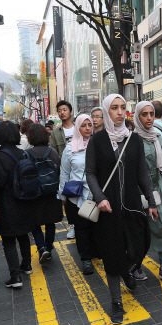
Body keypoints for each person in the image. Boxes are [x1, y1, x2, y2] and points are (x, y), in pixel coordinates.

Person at [86, 94, 158, 325]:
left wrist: (151, 201)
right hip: (108, 209)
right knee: (112, 253)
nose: (119, 112)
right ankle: (116, 301)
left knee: (139, 245)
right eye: (114, 108)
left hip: (132, 205)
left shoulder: (133, 139)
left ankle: (127, 271)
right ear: (107, 111)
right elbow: (90, 173)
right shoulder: (97, 140)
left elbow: (142, 173)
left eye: (123, 108)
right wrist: (99, 197)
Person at [131, 101, 162, 284]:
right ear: (137, 116)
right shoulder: (132, 138)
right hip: (138, 189)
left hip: (158, 187)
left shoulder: (158, 136)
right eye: (144, 114)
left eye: (151, 113)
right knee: (139, 231)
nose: (149, 118)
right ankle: (136, 266)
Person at [0, 121, 38, 289]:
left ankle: (15, 276)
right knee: (24, 234)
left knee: (9, 239)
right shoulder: (23, 153)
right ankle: (26, 266)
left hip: (7, 203)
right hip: (25, 201)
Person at [59, 114, 95, 275]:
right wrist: (62, 196)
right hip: (76, 195)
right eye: (84, 125)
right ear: (77, 128)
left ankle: (96, 252)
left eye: (90, 125)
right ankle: (86, 259)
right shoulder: (70, 148)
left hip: (96, 194)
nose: (87, 128)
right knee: (81, 228)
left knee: (95, 226)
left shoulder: (98, 145)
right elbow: (64, 173)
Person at [28, 124, 64, 263]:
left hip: (35, 193)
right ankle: (48, 247)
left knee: (35, 223)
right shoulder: (53, 153)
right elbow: (59, 171)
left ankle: (41, 247)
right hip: (51, 192)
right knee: (50, 222)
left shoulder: (27, 154)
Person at [50, 101, 76, 239]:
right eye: (59, 110)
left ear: (71, 112)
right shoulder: (56, 132)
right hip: (64, 170)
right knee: (67, 198)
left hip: (80, 168)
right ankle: (72, 225)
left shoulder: (79, 127)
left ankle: (83, 223)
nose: (62, 112)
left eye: (65, 110)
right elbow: (54, 152)